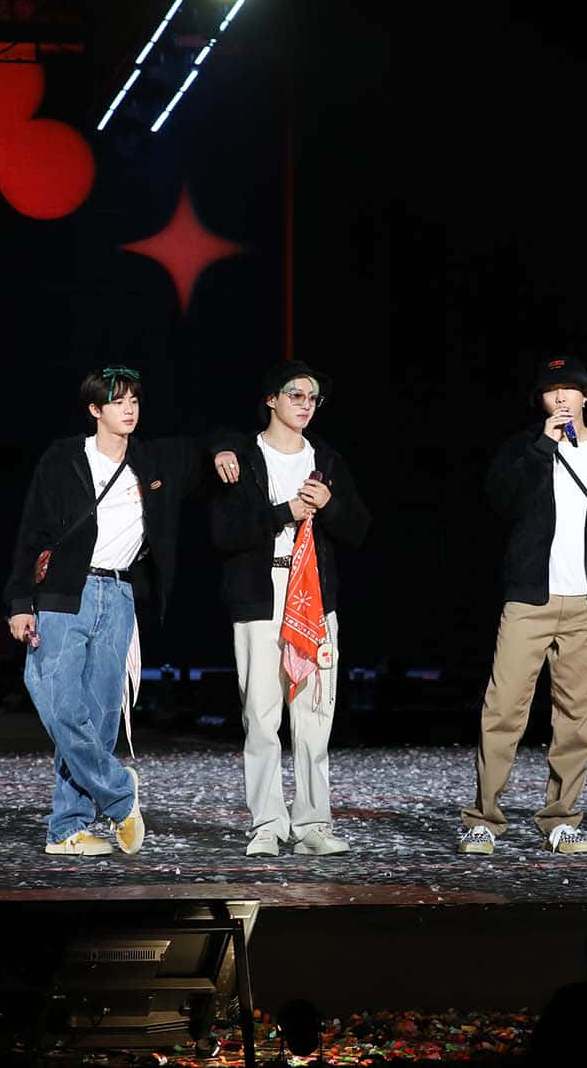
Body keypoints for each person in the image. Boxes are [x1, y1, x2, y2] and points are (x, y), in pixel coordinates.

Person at [3, 368, 239, 856]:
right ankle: (118, 792)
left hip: (119, 595)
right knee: (58, 703)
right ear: (95, 410)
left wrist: (222, 450)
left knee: (101, 716)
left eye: (134, 400)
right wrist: (20, 602)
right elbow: (33, 531)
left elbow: (212, 439)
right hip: (63, 594)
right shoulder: (64, 458)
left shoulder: (153, 459)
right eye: (117, 402)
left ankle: (68, 828)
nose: (129, 409)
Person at [460, 356, 587, 855]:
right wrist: (542, 449)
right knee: (502, 710)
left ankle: (561, 818)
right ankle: (484, 820)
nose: (562, 397)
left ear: (586, 396)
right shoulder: (524, 449)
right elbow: (499, 501)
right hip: (529, 599)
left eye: (570, 388)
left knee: (577, 717)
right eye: (552, 390)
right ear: (541, 400)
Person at [210, 361, 372, 857]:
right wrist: (286, 512)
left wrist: (331, 505)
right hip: (260, 593)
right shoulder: (242, 457)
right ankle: (267, 823)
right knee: (261, 713)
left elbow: (359, 529)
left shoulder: (326, 459)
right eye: (295, 395)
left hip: (314, 595)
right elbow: (224, 533)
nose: (305, 404)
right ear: (271, 399)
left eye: (313, 398)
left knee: (314, 712)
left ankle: (313, 823)